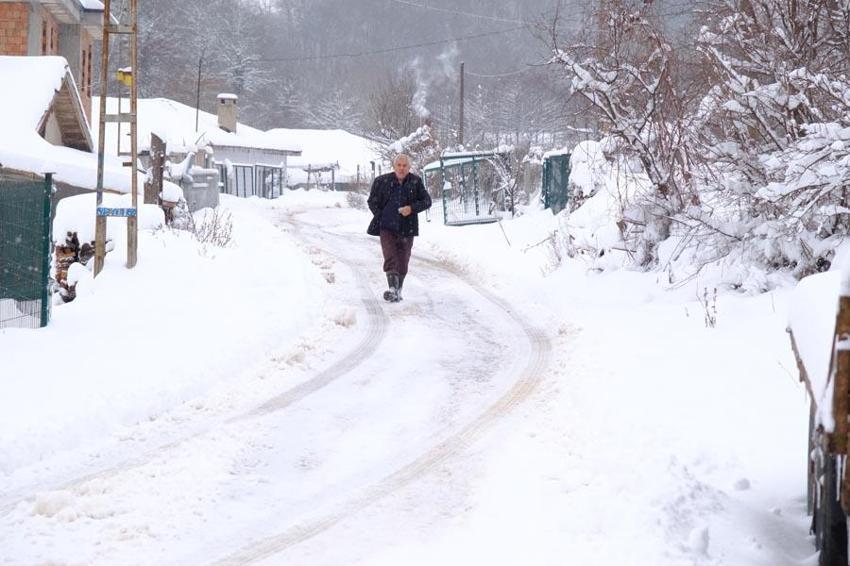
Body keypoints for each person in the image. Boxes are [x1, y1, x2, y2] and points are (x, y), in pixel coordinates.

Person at [366, 154, 432, 302]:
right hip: (386, 227)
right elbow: (372, 201)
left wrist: (412, 208)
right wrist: (381, 215)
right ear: (394, 166)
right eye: (399, 165)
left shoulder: (415, 182)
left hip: (407, 228)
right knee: (390, 256)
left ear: (409, 168)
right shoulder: (381, 182)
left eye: (405, 166)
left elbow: (427, 201)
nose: (401, 168)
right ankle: (392, 289)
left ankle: (398, 290)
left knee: (403, 260)